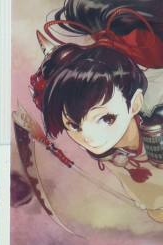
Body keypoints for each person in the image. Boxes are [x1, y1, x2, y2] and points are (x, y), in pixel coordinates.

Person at [31, 0, 163, 222]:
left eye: (106, 118)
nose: (89, 137)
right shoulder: (103, 145)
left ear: (135, 104)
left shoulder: (156, 107)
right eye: (74, 125)